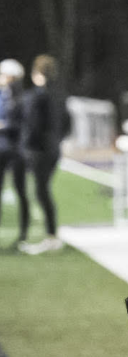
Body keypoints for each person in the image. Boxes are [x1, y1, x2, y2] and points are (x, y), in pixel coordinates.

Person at [18, 54, 69, 254]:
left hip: (40, 150)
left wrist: (27, 145)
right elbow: (67, 122)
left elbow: (32, 124)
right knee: (42, 191)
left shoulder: (39, 96)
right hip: (53, 149)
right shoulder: (59, 94)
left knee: (41, 192)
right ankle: (51, 235)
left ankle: (51, 235)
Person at [0, 59, 29, 246]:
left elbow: (23, 125)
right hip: (2, 149)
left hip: (17, 150)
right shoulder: (3, 96)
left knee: (21, 191)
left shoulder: (21, 98)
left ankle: (23, 234)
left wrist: (5, 126)